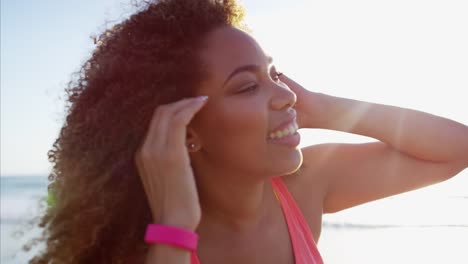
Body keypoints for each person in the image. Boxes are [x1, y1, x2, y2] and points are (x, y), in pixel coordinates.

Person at [28, 0, 468, 263]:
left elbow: (456, 149)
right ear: (185, 130)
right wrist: (175, 228)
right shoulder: (145, 245)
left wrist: (322, 106)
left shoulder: (304, 188)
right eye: (247, 86)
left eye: (275, 74)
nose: (284, 95)